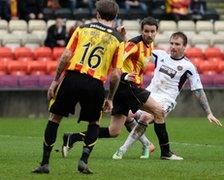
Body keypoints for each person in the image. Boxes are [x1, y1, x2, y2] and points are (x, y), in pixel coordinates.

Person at [32, 0, 124, 174]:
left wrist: (55, 80)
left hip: (72, 78)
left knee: (54, 118)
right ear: (116, 17)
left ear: (97, 14)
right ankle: (83, 161)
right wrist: (110, 98)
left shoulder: (82, 29)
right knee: (94, 122)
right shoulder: (119, 40)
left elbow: (66, 56)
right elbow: (115, 74)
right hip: (95, 83)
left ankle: (45, 163)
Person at [62, 17, 164, 159]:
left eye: (153, 31)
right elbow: (116, 59)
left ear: (156, 32)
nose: (149, 34)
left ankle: (72, 137)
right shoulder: (134, 44)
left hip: (122, 90)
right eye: (146, 31)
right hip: (128, 86)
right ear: (142, 30)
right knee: (159, 111)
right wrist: (125, 75)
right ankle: (165, 152)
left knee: (113, 131)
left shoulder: (149, 46)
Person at [113, 32, 223, 160]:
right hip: (149, 94)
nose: (173, 47)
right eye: (171, 43)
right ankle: (147, 144)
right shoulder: (160, 55)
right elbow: (140, 49)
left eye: (177, 44)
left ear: (184, 47)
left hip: (166, 100)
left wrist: (208, 112)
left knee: (145, 117)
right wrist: (124, 38)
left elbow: (198, 90)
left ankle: (122, 149)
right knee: (127, 115)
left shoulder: (188, 67)